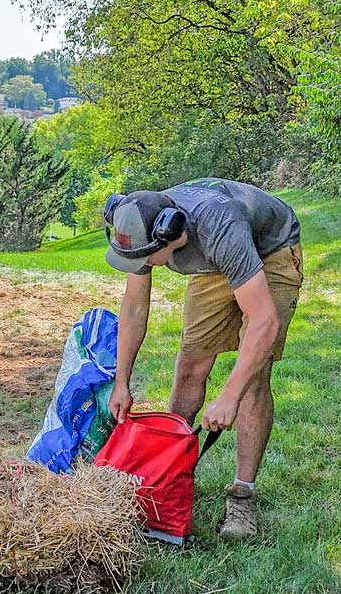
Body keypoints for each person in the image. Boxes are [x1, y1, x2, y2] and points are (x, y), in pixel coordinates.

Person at [102, 178, 302, 539]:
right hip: (211, 263)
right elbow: (134, 307)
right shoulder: (142, 223)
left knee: (253, 376)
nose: (141, 266)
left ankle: (243, 495)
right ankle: (167, 478)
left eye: (146, 258)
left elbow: (263, 321)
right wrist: (122, 382)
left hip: (269, 251)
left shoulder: (219, 225)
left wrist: (229, 396)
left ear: (172, 234)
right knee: (190, 365)